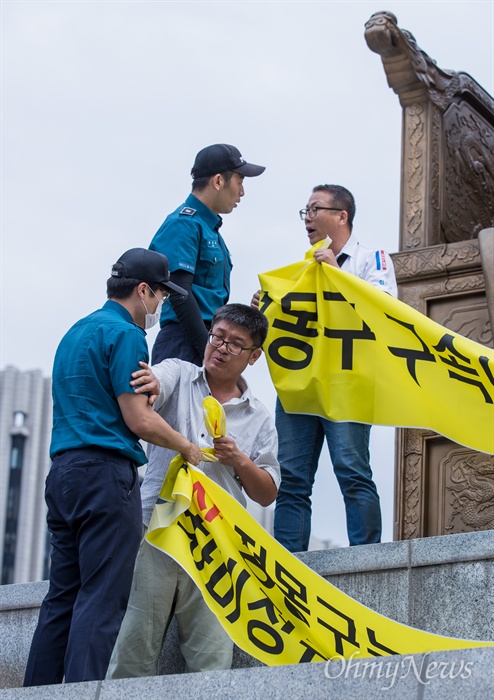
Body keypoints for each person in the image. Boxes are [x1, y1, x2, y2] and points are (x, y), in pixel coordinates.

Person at [23, 248, 203, 687]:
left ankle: (37, 693)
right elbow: (137, 418)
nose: (159, 306)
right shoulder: (126, 335)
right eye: (159, 296)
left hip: (63, 474)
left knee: (61, 598)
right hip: (105, 475)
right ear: (143, 290)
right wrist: (186, 446)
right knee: (103, 598)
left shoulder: (75, 332)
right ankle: (85, 693)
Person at [106, 303, 280, 678]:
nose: (220, 347)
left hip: (218, 545)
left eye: (236, 344)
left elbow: (267, 492)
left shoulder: (259, 417)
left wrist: (240, 461)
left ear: (254, 356)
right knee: (134, 646)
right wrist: (151, 383)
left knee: (211, 660)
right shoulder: (180, 374)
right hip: (157, 530)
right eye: (217, 336)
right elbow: (156, 380)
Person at [258, 184, 397, 552]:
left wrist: (338, 275)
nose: (307, 219)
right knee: (291, 480)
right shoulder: (302, 270)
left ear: (341, 216)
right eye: (304, 211)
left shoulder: (373, 258)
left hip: (346, 383)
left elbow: (384, 309)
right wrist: (265, 307)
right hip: (300, 387)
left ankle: (367, 558)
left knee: (352, 470)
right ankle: (290, 562)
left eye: (314, 209)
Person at [149, 143, 265, 366]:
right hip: (185, 343)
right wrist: (208, 351)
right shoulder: (184, 223)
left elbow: (208, 300)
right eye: (240, 182)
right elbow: (180, 293)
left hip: (206, 339)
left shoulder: (209, 229)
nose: (242, 192)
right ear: (219, 181)